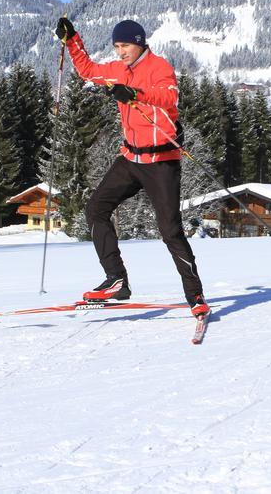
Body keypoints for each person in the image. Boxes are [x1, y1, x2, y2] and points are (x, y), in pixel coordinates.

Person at [55, 17, 210, 318]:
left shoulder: (159, 67)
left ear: (139, 43)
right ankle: (117, 280)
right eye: (116, 46)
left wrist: (136, 94)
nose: (120, 52)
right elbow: (87, 70)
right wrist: (72, 39)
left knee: (170, 230)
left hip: (161, 162)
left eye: (125, 45)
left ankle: (196, 295)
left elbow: (169, 97)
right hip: (130, 158)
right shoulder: (116, 71)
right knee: (96, 208)